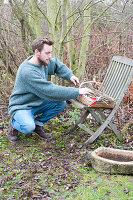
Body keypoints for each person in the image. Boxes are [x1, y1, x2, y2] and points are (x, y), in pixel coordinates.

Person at [8, 36, 93, 142]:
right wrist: (76, 92)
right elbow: (50, 90)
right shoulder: (28, 72)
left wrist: (70, 75)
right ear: (37, 52)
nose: (50, 56)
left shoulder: (42, 62)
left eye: (50, 52)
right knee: (28, 127)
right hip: (22, 105)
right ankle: (14, 124)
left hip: (36, 102)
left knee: (60, 103)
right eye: (47, 53)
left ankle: (38, 125)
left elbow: (56, 64)